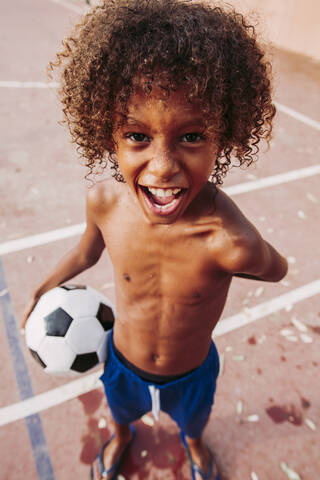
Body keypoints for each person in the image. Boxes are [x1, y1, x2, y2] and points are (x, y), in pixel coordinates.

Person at [22, 1, 288, 478]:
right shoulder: (104, 204)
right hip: (122, 360)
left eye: (191, 136)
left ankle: (195, 444)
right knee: (122, 413)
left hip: (192, 371)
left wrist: (244, 243)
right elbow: (87, 250)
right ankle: (122, 436)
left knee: (194, 422)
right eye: (136, 135)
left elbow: (277, 268)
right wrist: (45, 285)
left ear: (223, 136)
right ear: (107, 134)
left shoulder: (226, 240)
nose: (163, 166)